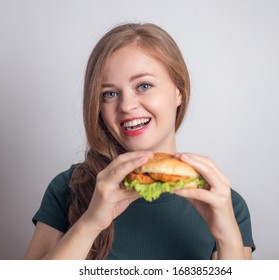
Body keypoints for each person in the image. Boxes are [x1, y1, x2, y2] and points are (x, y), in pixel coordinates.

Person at [24, 22, 255, 260]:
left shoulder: (225, 202)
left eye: (143, 86)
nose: (126, 106)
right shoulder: (69, 188)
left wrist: (227, 234)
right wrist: (91, 222)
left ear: (179, 92)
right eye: (109, 94)